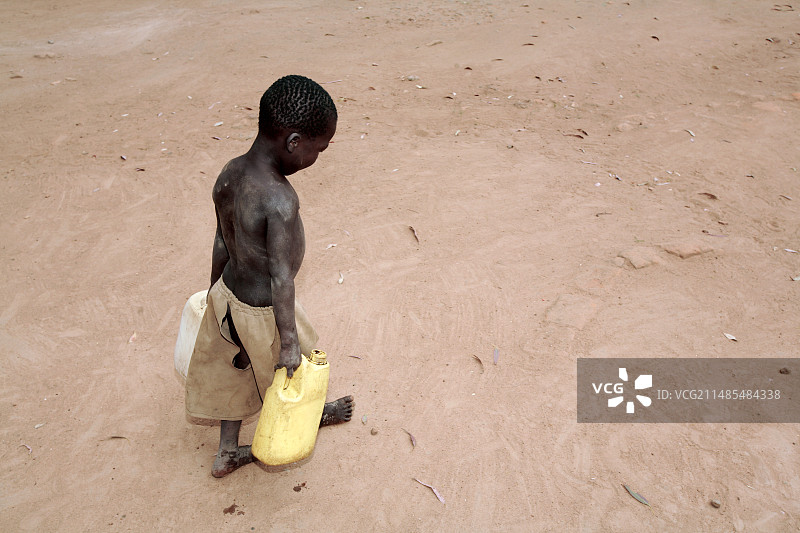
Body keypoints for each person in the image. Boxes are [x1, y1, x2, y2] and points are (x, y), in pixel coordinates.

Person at [185, 75, 354, 478]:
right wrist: (289, 342)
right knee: (288, 367)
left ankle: (227, 451)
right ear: (294, 142)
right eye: (319, 149)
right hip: (266, 310)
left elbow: (221, 240)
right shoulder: (279, 198)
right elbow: (281, 277)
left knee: (234, 369)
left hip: (230, 294)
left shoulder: (229, 173)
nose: (318, 157)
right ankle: (305, 413)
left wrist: (214, 294)